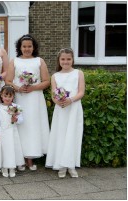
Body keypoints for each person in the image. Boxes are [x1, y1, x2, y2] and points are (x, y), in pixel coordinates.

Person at [5, 34, 50, 171]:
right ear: (20, 47)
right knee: (21, 126)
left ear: (34, 47)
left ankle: (30, 158)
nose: (27, 49)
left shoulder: (39, 61)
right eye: (24, 46)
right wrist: (18, 88)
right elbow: (8, 80)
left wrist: (33, 88)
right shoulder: (14, 61)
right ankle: (20, 158)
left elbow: (46, 81)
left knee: (33, 126)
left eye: (29, 46)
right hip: (20, 98)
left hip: (35, 99)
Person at [45, 48, 85, 178]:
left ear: (72, 59)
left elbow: (81, 92)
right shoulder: (55, 76)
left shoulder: (79, 73)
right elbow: (53, 95)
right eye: (63, 59)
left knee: (73, 135)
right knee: (61, 135)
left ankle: (71, 165)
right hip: (61, 108)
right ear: (59, 60)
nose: (66, 61)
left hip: (74, 107)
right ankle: (61, 165)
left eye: (68, 59)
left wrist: (70, 100)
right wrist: (59, 101)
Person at [0, 85, 25, 178]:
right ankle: (4, 167)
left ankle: (12, 167)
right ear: (1, 96)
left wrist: (16, 119)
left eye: (10, 96)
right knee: (4, 149)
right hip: (3, 132)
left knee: (12, 149)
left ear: (13, 97)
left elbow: (21, 120)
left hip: (12, 131)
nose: (7, 98)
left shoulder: (16, 107)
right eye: (5, 96)